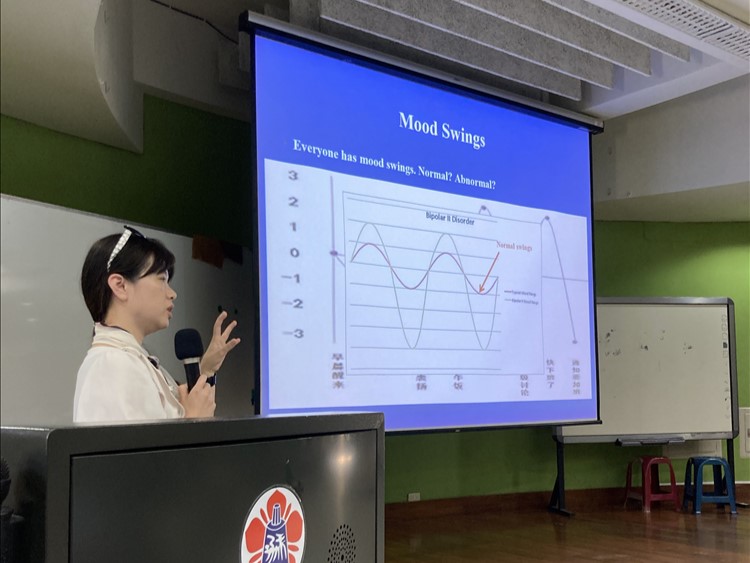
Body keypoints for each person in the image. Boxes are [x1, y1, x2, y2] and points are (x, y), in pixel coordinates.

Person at [73, 225, 240, 423]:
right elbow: (138, 445)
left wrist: (206, 371)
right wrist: (194, 421)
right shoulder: (115, 364)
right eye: (162, 279)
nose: (172, 293)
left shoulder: (128, 359)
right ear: (120, 285)